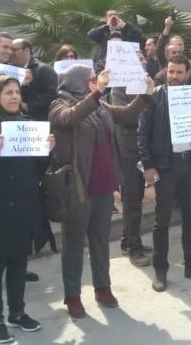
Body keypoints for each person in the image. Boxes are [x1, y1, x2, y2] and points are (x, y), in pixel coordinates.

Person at [49, 65, 153, 318]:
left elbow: (125, 114)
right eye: (92, 79)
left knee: (100, 240)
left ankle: (102, 287)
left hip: (104, 187)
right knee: (74, 243)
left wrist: (145, 95)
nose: (96, 82)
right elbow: (70, 118)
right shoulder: (59, 105)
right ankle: (73, 295)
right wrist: (97, 94)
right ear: (77, 81)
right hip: (78, 188)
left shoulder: (99, 106)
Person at [0, 75, 56, 343]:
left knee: (19, 264)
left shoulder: (27, 126)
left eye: (16, 92)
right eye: (7, 93)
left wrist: (47, 151)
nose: (14, 97)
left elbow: (37, 170)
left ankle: (17, 313)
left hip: (24, 207)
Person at [138, 55, 191, 292]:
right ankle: (160, 270)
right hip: (165, 166)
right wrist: (148, 166)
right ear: (166, 71)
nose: (174, 76)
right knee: (161, 221)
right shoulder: (155, 96)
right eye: (171, 71)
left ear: (187, 73)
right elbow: (142, 133)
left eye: (179, 72)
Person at [110, 51, 153, 267]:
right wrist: (145, 102)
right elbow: (124, 116)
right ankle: (134, 248)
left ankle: (128, 241)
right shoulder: (118, 88)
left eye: (143, 58)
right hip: (129, 150)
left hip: (146, 147)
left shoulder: (148, 83)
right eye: (139, 59)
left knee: (136, 198)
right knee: (132, 200)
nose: (144, 62)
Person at [11, 39, 58, 121]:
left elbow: (52, 93)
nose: (11, 53)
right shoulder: (9, 70)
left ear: (27, 50)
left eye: (14, 50)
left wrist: (29, 105)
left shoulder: (43, 69)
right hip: (15, 119)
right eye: (10, 50)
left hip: (39, 119)